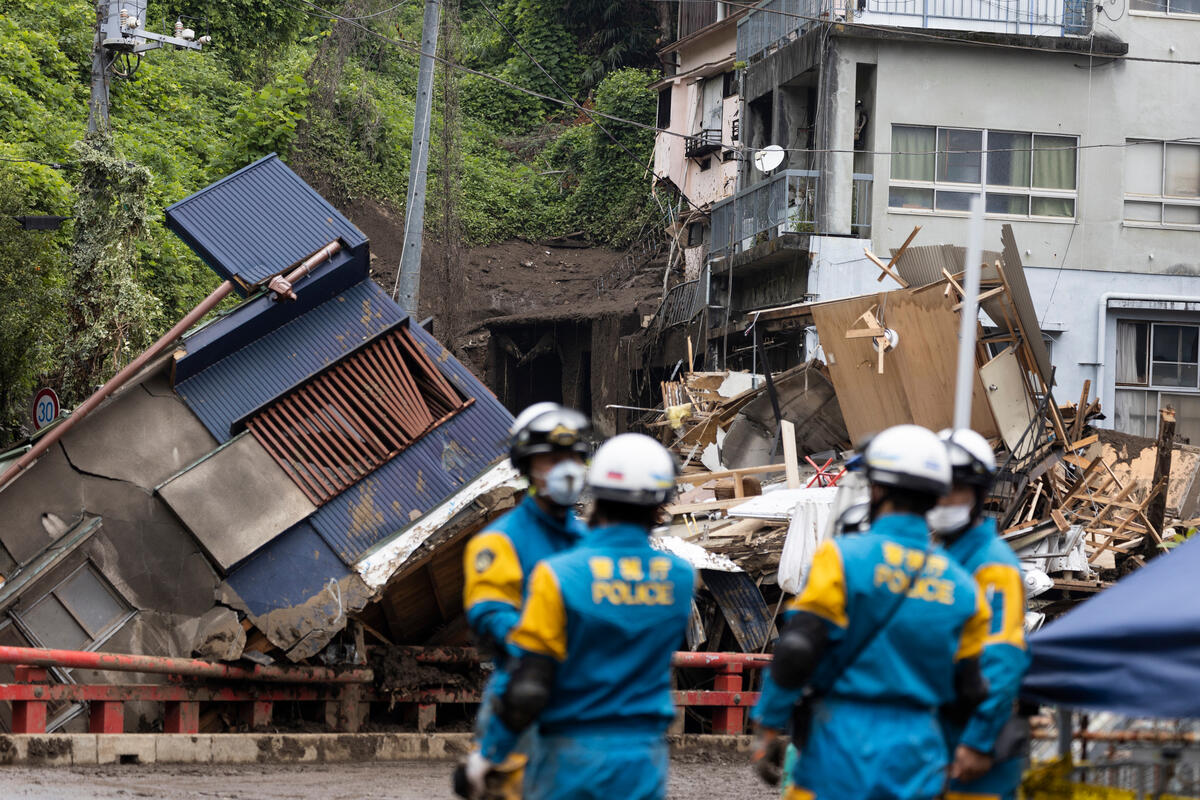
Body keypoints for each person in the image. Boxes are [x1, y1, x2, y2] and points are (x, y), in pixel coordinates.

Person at [750, 424, 992, 800]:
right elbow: (971, 689)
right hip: (919, 756)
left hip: (840, 747)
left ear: (876, 489)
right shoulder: (963, 588)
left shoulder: (842, 559)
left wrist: (768, 724)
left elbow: (798, 650)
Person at [457, 433, 694, 800]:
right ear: (661, 503)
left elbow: (529, 683)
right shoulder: (679, 578)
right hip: (643, 757)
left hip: (569, 754)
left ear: (595, 491)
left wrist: (489, 755)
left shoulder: (559, 574)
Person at [460, 402, 592, 798]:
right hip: (521, 700)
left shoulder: (589, 543)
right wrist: (537, 645)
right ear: (526, 468)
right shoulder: (499, 541)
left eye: (571, 458)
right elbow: (488, 612)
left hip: (584, 701)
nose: (565, 469)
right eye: (551, 459)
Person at [930, 428, 1031, 800]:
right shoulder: (938, 558)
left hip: (970, 748)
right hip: (935, 744)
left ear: (977, 493)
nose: (942, 499)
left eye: (953, 487)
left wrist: (977, 741)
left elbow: (1002, 659)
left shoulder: (992, 566)